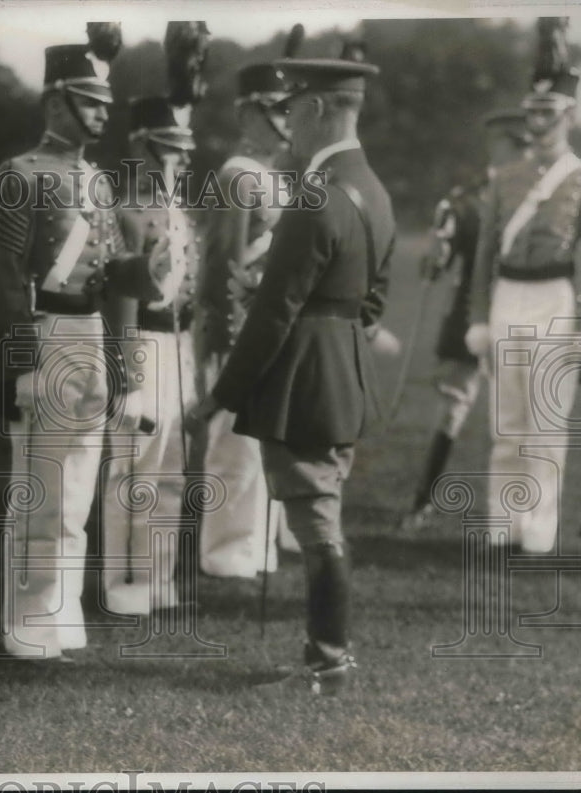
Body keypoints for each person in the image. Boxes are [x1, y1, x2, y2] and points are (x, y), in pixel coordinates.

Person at [187, 56, 395, 694]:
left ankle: (328, 661)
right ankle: (325, 654)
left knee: (316, 524)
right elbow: (374, 302)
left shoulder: (316, 195)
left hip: (304, 375)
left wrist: (220, 397)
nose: (289, 124)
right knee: (321, 516)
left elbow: (273, 312)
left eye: (294, 109)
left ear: (313, 110)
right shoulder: (376, 190)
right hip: (344, 371)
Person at [0, 29, 168, 660]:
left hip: (89, 336)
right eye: (89, 100)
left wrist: (129, 372)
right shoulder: (18, 175)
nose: (103, 112)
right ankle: (28, 620)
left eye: (106, 102)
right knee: (40, 487)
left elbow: (114, 286)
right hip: (45, 332)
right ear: (55, 102)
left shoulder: (101, 184)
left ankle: (60, 613)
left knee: (77, 490)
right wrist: (21, 365)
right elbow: (1, 278)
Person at [464, 55, 581, 554]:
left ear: (570, 115)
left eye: (548, 113)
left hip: (556, 297)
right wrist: (475, 317)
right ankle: (502, 516)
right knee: (506, 419)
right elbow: (485, 253)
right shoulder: (504, 176)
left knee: (547, 422)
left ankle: (539, 524)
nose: (538, 123)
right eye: (532, 112)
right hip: (508, 297)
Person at [400, 110, 532, 530]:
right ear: (500, 146)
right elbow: (433, 270)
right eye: (519, 145)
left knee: (520, 416)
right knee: (453, 410)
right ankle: (422, 500)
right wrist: (435, 254)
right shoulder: (467, 201)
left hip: (523, 318)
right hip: (470, 318)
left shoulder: (541, 197)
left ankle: (517, 511)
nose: (527, 152)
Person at [100, 95, 199, 615]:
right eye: (168, 151)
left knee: (172, 470)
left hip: (178, 347)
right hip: (145, 343)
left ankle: (160, 576)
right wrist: (128, 378)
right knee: (133, 467)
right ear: (141, 148)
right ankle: (126, 583)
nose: (178, 162)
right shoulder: (126, 213)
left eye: (183, 152)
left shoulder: (178, 214)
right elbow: (123, 305)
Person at [195, 61, 294, 580]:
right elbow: (222, 265)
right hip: (243, 329)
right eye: (275, 110)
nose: (286, 120)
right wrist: (231, 335)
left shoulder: (275, 176)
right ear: (247, 114)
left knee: (266, 447)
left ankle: (257, 545)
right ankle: (226, 550)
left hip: (272, 328)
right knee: (236, 446)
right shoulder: (237, 174)